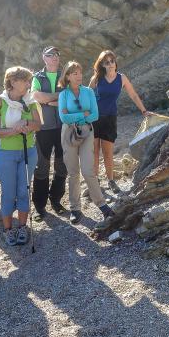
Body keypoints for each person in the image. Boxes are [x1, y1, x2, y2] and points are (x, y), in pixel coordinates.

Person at [0, 67, 41, 246]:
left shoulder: (30, 100)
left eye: (29, 81)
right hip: (5, 153)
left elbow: (38, 125)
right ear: (12, 82)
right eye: (25, 80)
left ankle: (22, 227)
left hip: (29, 151)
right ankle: (7, 230)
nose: (29, 84)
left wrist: (27, 123)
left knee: (24, 190)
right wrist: (14, 130)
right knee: (9, 192)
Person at [58, 61, 114, 224]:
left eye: (80, 73)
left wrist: (74, 115)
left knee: (88, 170)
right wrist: (83, 113)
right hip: (68, 133)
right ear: (67, 76)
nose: (79, 76)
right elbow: (63, 118)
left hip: (87, 132)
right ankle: (75, 208)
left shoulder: (88, 91)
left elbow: (95, 115)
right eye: (74, 73)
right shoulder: (63, 95)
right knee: (73, 172)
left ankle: (102, 205)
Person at [88, 50, 152, 192]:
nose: (110, 64)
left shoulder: (121, 78)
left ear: (115, 63)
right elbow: (86, 96)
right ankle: (95, 182)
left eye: (112, 61)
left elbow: (134, 95)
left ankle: (111, 181)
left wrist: (144, 110)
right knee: (95, 152)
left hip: (110, 118)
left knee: (108, 152)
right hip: (94, 119)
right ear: (102, 65)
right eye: (107, 62)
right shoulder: (96, 78)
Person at [30, 46, 68, 221]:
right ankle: (39, 206)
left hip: (63, 127)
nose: (54, 57)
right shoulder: (37, 77)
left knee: (62, 166)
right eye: (50, 55)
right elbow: (37, 97)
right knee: (42, 168)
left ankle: (56, 200)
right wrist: (57, 98)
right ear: (43, 58)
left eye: (56, 54)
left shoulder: (64, 75)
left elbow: (70, 97)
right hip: (43, 129)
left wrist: (49, 100)